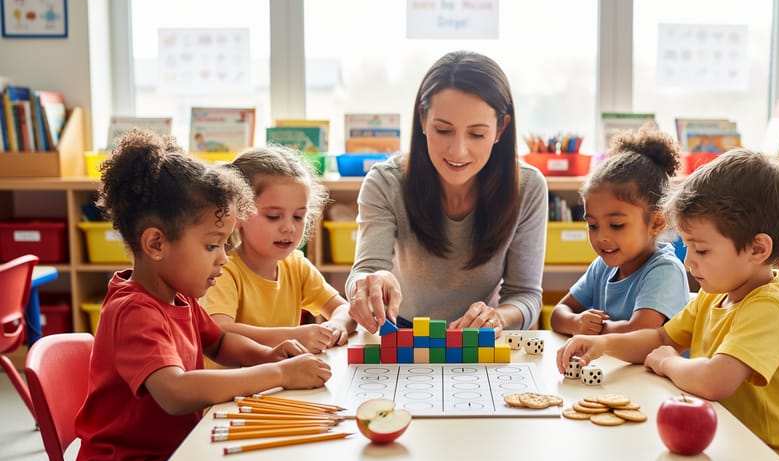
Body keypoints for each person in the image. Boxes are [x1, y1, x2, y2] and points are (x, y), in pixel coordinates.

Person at [73, 130, 332, 461]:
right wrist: (278, 373)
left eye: (225, 244)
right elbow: (175, 391)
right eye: (212, 244)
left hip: (176, 454)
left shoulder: (178, 297)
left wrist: (269, 354)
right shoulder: (133, 311)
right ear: (156, 243)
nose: (224, 258)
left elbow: (221, 342)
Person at [556, 149, 779, 461]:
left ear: (757, 249)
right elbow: (661, 337)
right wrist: (605, 345)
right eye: (688, 247)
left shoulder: (771, 306)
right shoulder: (716, 292)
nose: (689, 261)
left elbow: (714, 380)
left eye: (702, 250)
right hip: (718, 446)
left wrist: (669, 362)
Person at [346, 51, 547, 335]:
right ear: (423, 120)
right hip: (400, 331)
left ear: (501, 129)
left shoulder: (527, 187)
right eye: (443, 130)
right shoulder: (385, 182)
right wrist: (367, 284)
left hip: (476, 336)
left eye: (477, 134)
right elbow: (365, 270)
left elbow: (526, 295)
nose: (458, 151)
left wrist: (497, 318)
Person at [202, 146, 356, 352]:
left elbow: (343, 308)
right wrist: (293, 336)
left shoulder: (296, 266)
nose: (289, 227)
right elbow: (220, 331)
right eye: (274, 217)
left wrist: (337, 325)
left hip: (282, 381)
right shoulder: (223, 271)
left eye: (298, 216)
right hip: (234, 384)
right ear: (237, 214)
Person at [550, 127, 690, 336]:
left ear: (656, 222)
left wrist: (595, 330)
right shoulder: (602, 267)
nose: (601, 237)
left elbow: (639, 332)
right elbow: (558, 313)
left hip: (654, 369)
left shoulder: (664, 270)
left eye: (616, 225)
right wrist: (576, 322)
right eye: (592, 225)